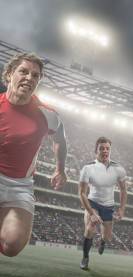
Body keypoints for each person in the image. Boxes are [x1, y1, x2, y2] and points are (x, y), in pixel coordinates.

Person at [0, 52, 67, 257]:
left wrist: (60, 169)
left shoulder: (47, 114)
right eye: (24, 71)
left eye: (36, 75)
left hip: (20, 186)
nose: (30, 77)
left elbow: (60, 141)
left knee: (12, 246)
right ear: (10, 74)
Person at [78, 137, 127, 270]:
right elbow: (82, 193)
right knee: (90, 228)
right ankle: (85, 257)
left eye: (107, 148)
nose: (105, 151)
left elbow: (123, 190)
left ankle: (103, 241)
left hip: (108, 206)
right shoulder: (88, 168)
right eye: (102, 148)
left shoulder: (119, 169)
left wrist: (122, 209)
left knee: (108, 236)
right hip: (93, 202)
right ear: (96, 151)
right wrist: (91, 212)